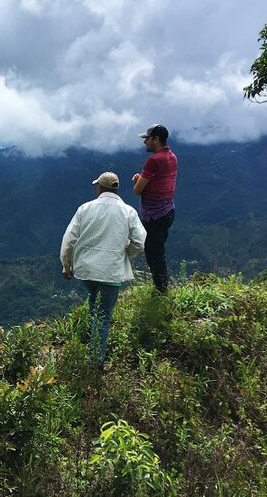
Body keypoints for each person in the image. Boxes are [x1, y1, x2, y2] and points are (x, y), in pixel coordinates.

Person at [60, 172, 146, 369]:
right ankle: (95, 363)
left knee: (95, 307)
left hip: (86, 270)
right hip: (111, 270)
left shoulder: (85, 209)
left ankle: (93, 352)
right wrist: (127, 254)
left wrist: (67, 266)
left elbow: (69, 240)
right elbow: (140, 242)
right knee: (103, 315)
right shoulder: (128, 212)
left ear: (99, 188)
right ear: (116, 188)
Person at [132, 124, 177, 293]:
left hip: (154, 216)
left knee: (154, 255)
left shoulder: (153, 161)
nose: (145, 142)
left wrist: (137, 180)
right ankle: (161, 288)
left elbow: (137, 190)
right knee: (158, 251)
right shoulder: (172, 156)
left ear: (156, 139)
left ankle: (161, 292)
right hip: (168, 210)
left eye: (147, 139)